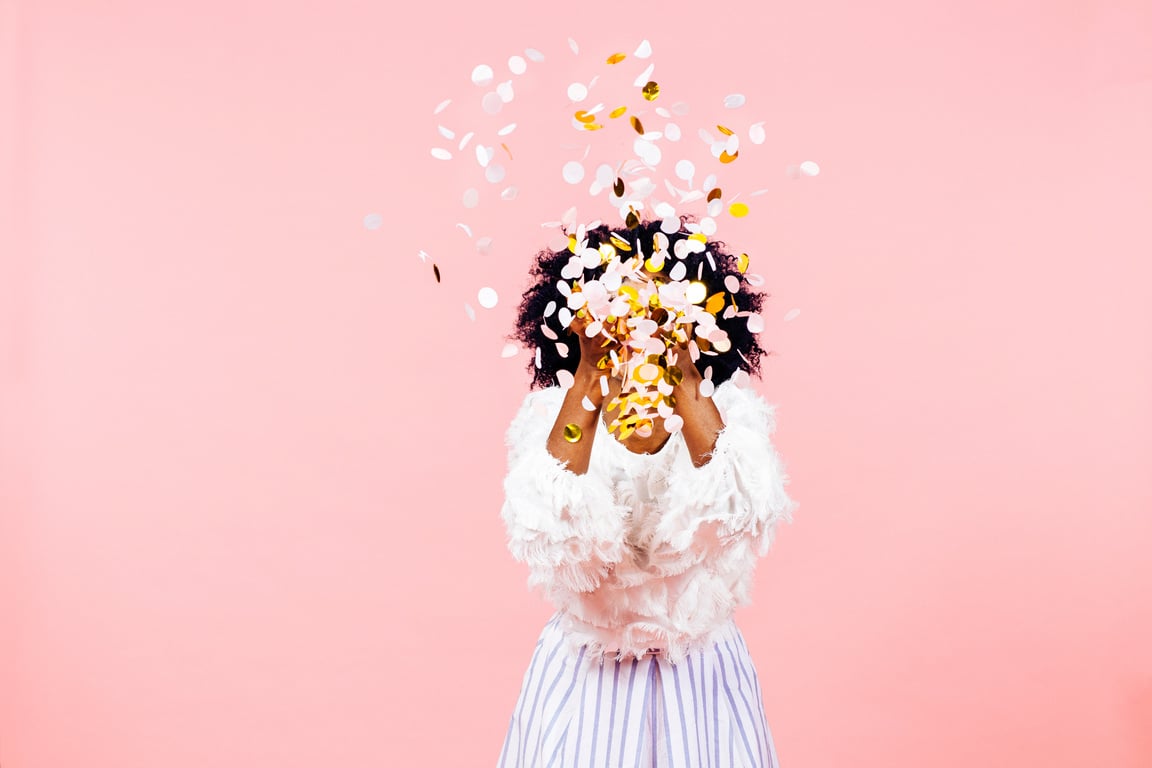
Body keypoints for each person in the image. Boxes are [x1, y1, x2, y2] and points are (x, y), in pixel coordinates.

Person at [498, 218, 799, 767]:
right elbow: (552, 540)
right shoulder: (554, 414)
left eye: (661, 303)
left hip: (701, 678)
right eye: (619, 301)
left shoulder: (727, 412)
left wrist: (683, 371)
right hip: (587, 680)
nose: (638, 320)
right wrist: (589, 375)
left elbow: (739, 515)